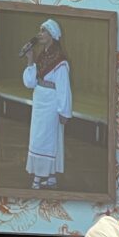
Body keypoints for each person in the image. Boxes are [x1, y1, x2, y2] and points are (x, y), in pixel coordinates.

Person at [22, 19, 72, 190]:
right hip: (39, 101)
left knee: (46, 139)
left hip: (51, 103)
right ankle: (51, 177)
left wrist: (64, 111)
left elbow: (64, 88)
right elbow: (30, 83)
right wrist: (30, 60)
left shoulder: (60, 61)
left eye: (43, 31)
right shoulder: (42, 57)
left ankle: (38, 176)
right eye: (40, 30)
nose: (40, 34)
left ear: (52, 35)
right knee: (39, 136)